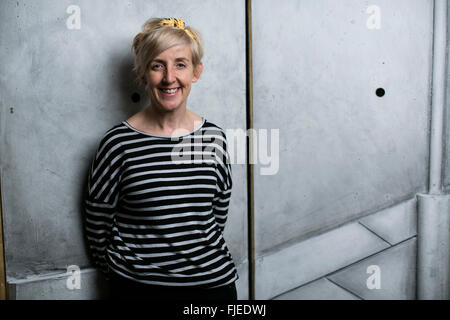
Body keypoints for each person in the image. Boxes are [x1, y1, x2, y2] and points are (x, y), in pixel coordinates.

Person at [84, 18, 238, 300]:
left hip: (212, 288)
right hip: (137, 289)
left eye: (181, 64)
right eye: (158, 65)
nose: (169, 78)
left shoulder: (214, 138)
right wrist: (122, 275)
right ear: (142, 74)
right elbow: (98, 224)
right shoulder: (117, 143)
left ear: (196, 72)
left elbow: (216, 216)